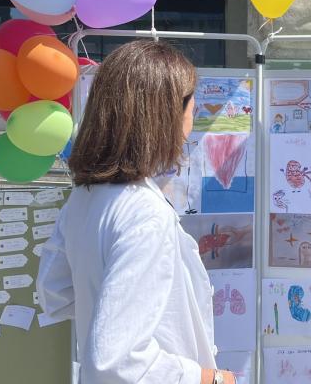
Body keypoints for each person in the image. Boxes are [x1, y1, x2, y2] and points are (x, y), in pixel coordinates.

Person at [37, 40, 235, 384]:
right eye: (191, 106)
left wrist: (108, 306)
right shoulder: (145, 214)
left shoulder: (86, 197)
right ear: (167, 114)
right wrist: (211, 379)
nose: (194, 117)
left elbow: (54, 291)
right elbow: (116, 360)